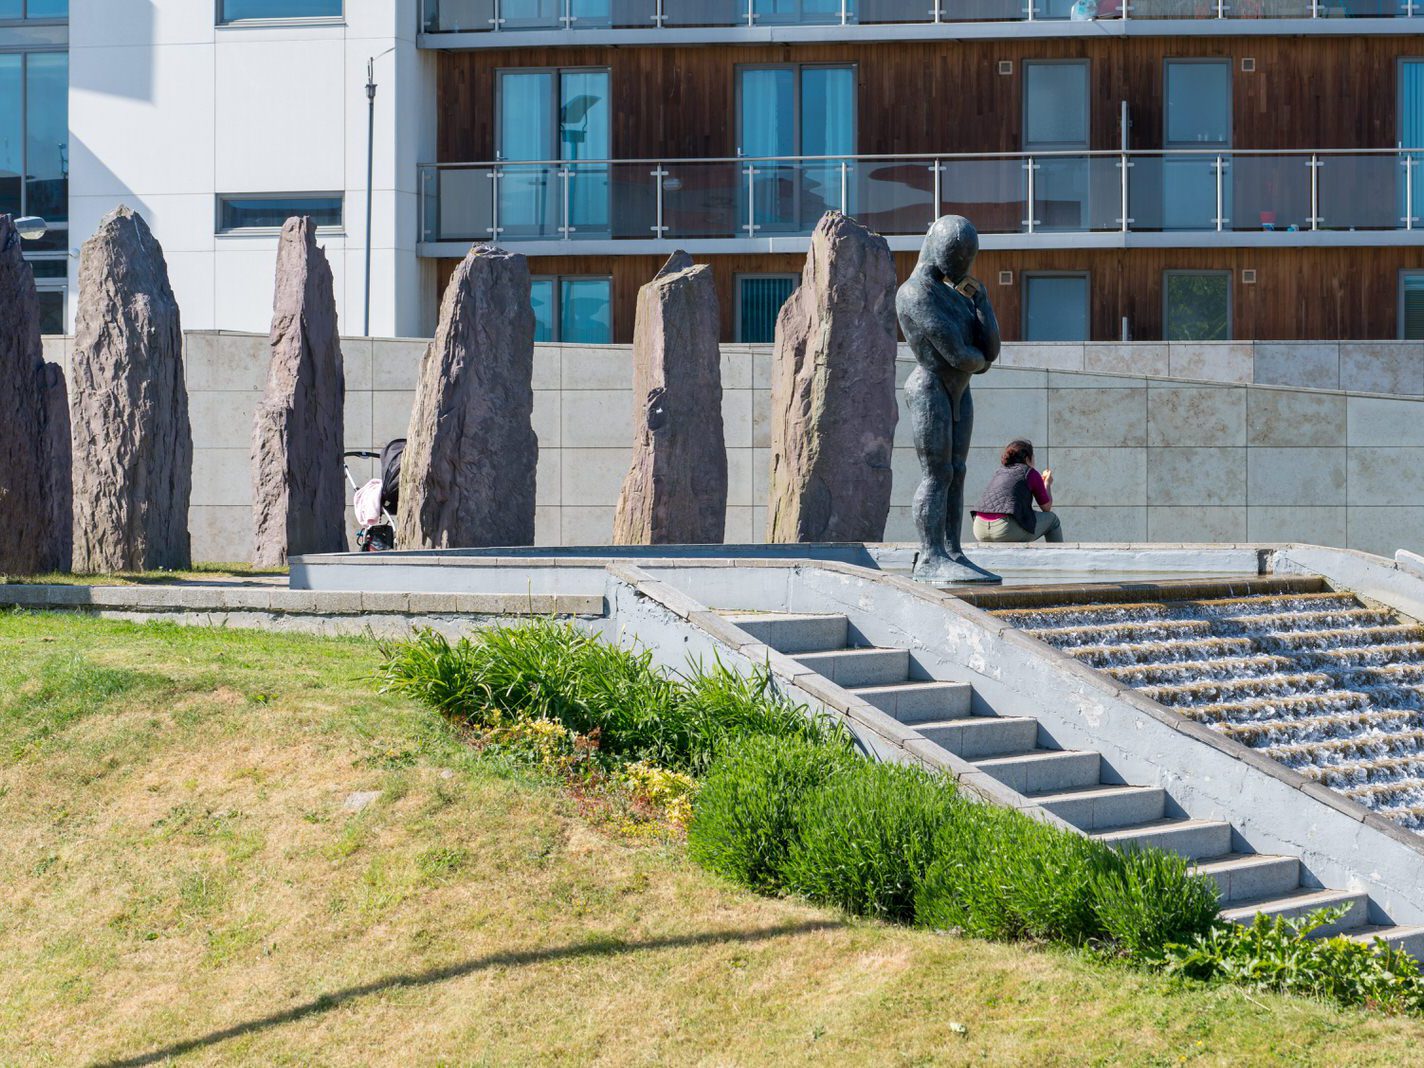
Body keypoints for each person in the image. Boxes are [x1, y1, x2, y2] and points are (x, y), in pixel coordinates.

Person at [971, 439, 1064, 543]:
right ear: (1027, 458)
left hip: (979, 528)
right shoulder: (1030, 472)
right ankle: (1059, 557)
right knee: (1052, 519)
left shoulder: (1000, 471)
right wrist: (1047, 484)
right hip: (1004, 529)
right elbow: (1046, 508)